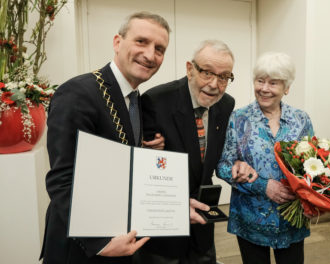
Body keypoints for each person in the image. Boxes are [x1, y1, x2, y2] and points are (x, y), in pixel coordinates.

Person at [40, 11, 169, 264]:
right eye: (141, 41)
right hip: (82, 247)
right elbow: (62, 179)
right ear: (117, 42)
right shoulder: (77, 92)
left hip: (120, 237)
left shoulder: (136, 100)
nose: (151, 55)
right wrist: (99, 242)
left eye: (160, 49)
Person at [136, 39, 256, 264]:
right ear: (190, 69)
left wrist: (238, 163)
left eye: (223, 77)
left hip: (202, 220)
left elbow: (221, 153)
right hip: (163, 225)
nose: (214, 84)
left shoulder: (226, 104)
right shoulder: (156, 100)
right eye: (207, 73)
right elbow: (142, 165)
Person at [216, 52, 314, 264]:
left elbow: (314, 166)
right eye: (260, 81)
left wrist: (313, 201)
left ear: (286, 88)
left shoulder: (301, 120)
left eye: (273, 83)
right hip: (251, 218)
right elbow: (223, 166)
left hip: (291, 219)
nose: (264, 88)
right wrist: (263, 186)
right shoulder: (238, 119)